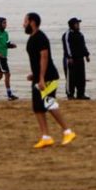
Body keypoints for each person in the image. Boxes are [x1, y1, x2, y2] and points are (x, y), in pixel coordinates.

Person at [24, 12, 76, 149]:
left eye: (25, 21)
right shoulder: (32, 38)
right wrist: (34, 74)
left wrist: (41, 77)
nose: (23, 24)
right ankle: (46, 137)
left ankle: (68, 132)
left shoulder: (41, 37)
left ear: (32, 22)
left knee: (49, 103)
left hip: (48, 78)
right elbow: (37, 60)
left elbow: (44, 57)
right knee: (37, 107)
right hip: (39, 77)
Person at [62, 17, 91, 100]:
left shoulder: (80, 34)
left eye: (78, 24)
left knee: (81, 77)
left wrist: (86, 55)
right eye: (76, 24)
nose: (78, 25)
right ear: (72, 25)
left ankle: (81, 94)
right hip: (70, 60)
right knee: (71, 78)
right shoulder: (67, 34)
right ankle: (70, 94)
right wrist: (69, 57)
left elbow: (83, 45)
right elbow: (67, 46)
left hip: (80, 58)